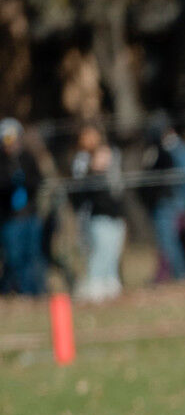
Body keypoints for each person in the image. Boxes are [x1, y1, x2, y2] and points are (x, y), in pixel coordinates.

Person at [142, 112, 185, 283]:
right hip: (173, 202)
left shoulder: (177, 149)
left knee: (170, 241)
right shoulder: (161, 149)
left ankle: (181, 275)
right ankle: (180, 274)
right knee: (175, 241)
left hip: (175, 203)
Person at [68, 123, 127, 301]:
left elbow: (118, 190)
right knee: (99, 250)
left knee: (112, 251)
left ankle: (110, 283)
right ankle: (94, 284)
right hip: (95, 216)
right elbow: (78, 195)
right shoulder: (84, 166)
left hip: (114, 215)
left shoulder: (111, 168)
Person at [0, 118, 45, 295]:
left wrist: (25, 182)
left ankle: (33, 291)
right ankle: (13, 290)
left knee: (32, 255)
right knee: (14, 256)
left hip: (30, 214)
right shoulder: (2, 161)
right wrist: (10, 183)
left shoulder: (27, 157)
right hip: (10, 218)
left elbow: (38, 181)